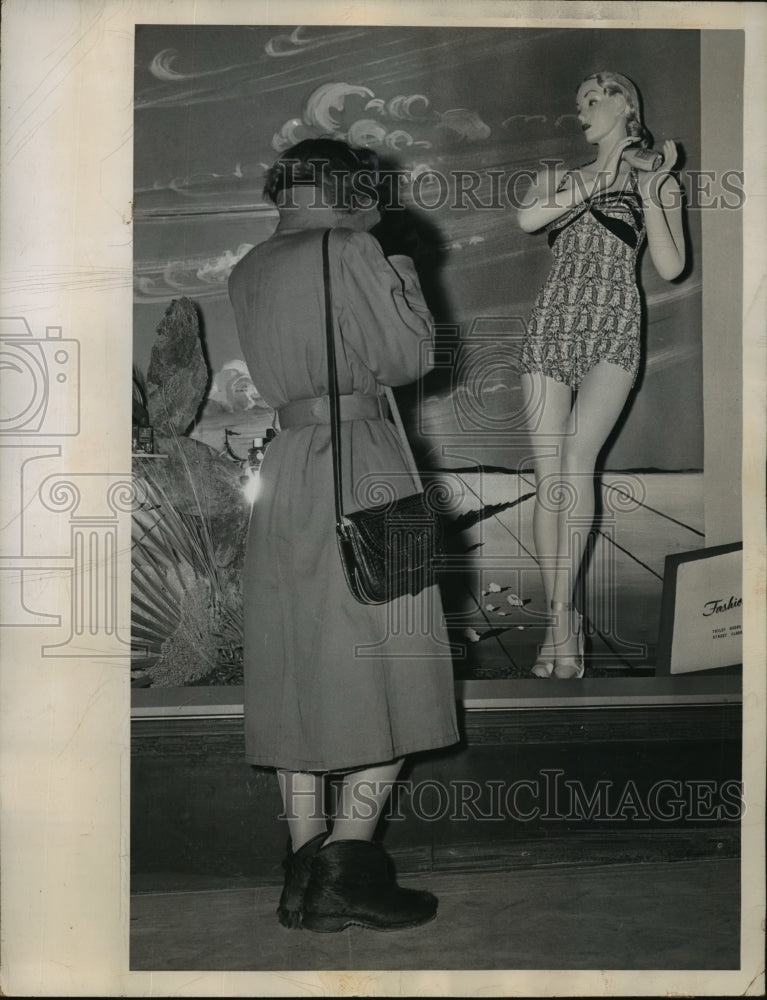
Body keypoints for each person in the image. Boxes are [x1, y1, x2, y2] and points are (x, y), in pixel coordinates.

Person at [227, 139, 458, 932]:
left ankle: (302, 869)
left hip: (288, 471)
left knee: (298, 669)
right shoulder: (354, 246)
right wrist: (399, 271)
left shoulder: (251, 264)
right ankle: (349, 867)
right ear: (346, 187)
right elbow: (410, 357)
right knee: (394, 662)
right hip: (363, 467)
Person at [516, 71, 685, 679]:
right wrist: (604, 177)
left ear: (624, 104)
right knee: (549, 476)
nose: (582, 107)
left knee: (577, 462)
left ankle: (563, 629)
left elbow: (669, 266)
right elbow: (528, 220)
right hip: (552, 323)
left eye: (593, 98)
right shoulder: (560, 175)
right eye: (578, 99)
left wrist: (653, 191)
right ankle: (562, 622)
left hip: (614, 323)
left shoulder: (651, 177)